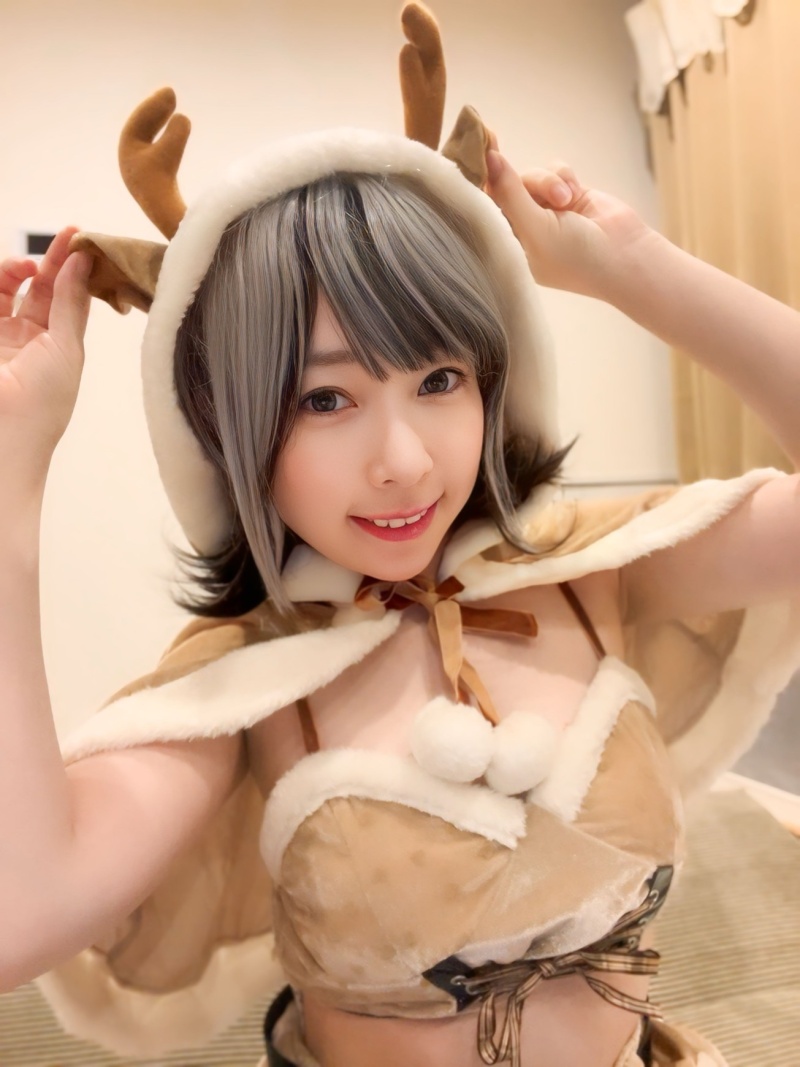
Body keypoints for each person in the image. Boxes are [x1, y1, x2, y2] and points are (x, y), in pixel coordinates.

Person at [3, 26, 800, 1067]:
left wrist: (632, 267)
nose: (405, 462)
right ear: (233, 433)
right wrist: (10, 474)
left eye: (438, 379)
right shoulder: (242, 684)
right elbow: (22, 909)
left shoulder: (585, 571)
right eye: (324, 399)